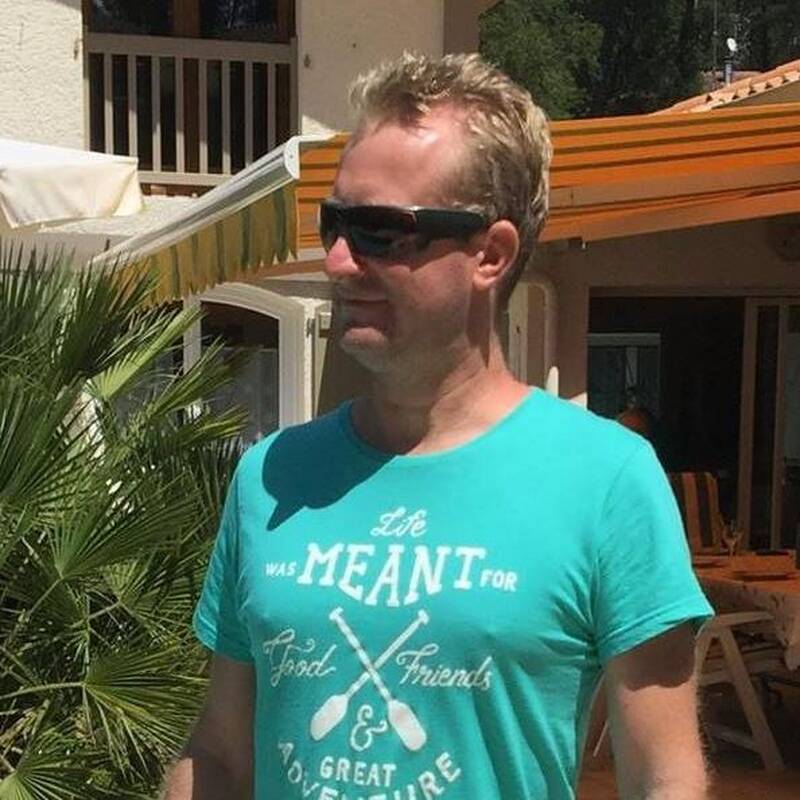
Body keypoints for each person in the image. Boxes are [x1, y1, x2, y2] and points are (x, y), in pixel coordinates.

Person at [164, 53, 713, 800]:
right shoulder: (271, 475)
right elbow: (221, 753)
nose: (338, 260)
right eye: (334, 223)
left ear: (491, 254)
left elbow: (665, 778)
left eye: (380, 231)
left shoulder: (608, 481)